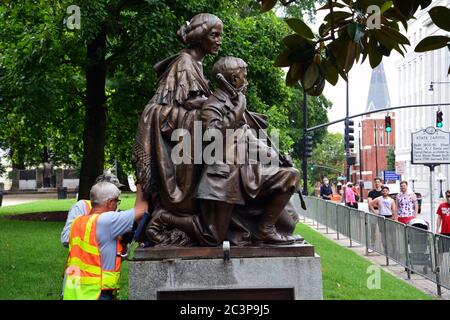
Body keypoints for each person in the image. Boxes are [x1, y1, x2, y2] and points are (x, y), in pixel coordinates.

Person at [159, 57, 300, 246]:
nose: (246, 80)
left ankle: (264, 230)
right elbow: (211, 135)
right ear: (234, 79)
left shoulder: (234, 103)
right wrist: (239, 109)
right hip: (222, 179)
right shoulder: (212, 106)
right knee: (212, 236)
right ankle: (165, 218)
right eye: (244, 76)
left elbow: (247, 137)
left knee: (290, 175)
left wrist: (275, 157)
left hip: (244, 173)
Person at [132, 13, 223, 245]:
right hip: (175, 128)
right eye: (214, 35)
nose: (219, 40)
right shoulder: (185, 62)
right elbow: (187, 103)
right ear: (201, 36)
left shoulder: (196, 64)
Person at [63, 182, 148, 300]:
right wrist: (140, 184)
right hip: (97, 293)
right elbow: (141, 210)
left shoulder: (77, 222)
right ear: (110, 203)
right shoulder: (106, 221)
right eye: (117, 202)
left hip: (75, 292)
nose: (117, 206)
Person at [60, 173, 126, 247]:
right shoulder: (82, 206)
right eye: (113, 190)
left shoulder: (115, 210)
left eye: (118, 190)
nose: (118, 193)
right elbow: (66, 238)